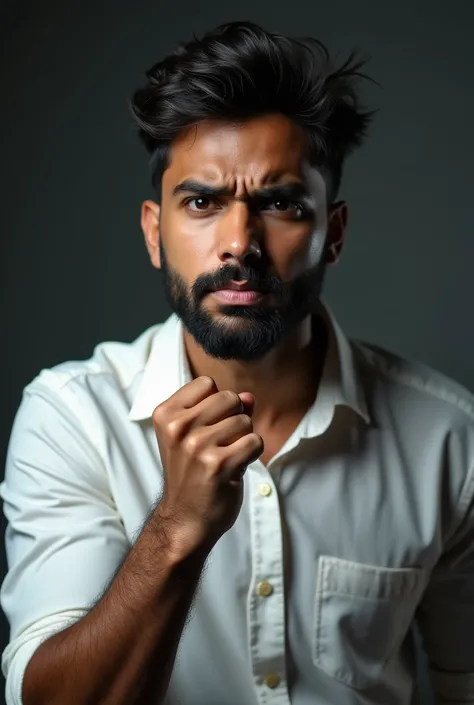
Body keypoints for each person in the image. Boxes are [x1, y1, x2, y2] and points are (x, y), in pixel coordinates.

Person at [1, 20, 473, 705]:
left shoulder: (450, 440)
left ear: (332, 233)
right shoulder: (71, 419)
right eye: (202, 202)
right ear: (153, 232)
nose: (238, 243)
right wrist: (175, 530)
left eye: (279, 203)